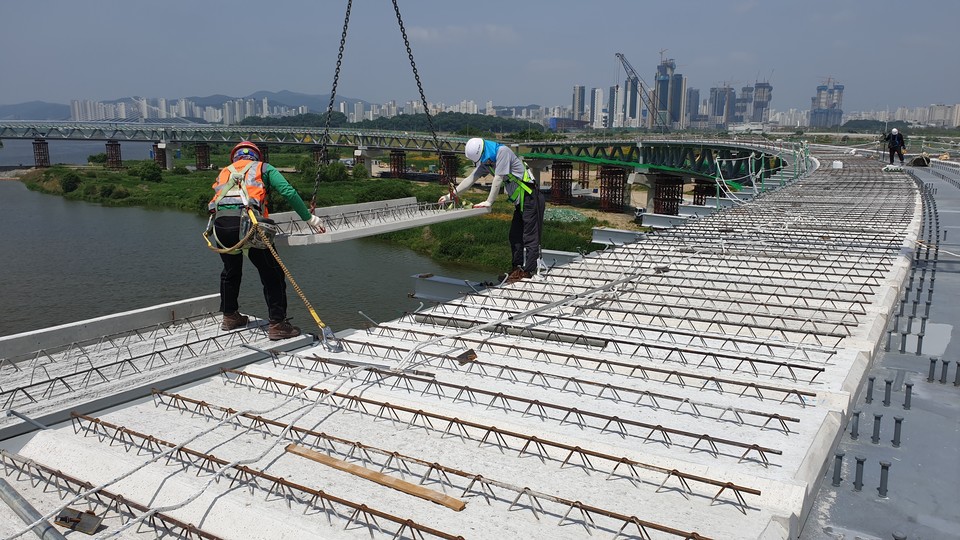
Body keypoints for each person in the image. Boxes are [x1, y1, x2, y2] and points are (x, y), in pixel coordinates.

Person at [208, 141, 325, 340]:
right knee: (272, 273)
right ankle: (278, 324)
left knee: (230, 271)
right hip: (250, 224)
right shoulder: (264, 168)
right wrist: (309, 218)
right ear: (256, 156)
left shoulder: (224, 172)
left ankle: (229, 316)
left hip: (221, 225)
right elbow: (288, 192)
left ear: (235, 158)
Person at [439, 137, 545, 284]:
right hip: (521, 202)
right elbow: (471, 179)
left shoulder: (502, 152)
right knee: (514, 237)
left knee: (529, 237)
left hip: (531, 198)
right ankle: (517, 269)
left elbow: (498, 179)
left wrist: (489, 202)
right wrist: (450, 195)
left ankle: (528, 272)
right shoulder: (488, 161)